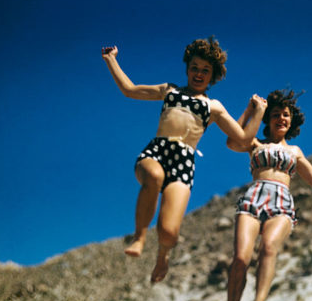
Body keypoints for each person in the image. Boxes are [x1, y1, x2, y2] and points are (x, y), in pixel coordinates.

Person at [101, 37, 265, 283]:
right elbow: (129, 89)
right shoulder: (170, 90)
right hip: (156, 152)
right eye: (195, 68)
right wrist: (111, 59)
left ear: (213, 76)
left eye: (205, 70)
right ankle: (140, 237)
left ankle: (162, 255)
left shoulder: (214, 107)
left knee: (169, 233)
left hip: (184, 163)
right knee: (154, 177)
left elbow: (242, 136)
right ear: (187, 69)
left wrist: (257, 111)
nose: (199, 73)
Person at [214, 90, 312, 301]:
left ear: (291, 121)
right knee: (240, 259)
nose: (281, 118)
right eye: (275, 115)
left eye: (285, 115)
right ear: (267, 120)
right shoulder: (255, 144)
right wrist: (250, 111)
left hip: (281, 201)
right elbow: (231, 140)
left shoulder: (295, 151)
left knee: (269, 247)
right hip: (254, 197)